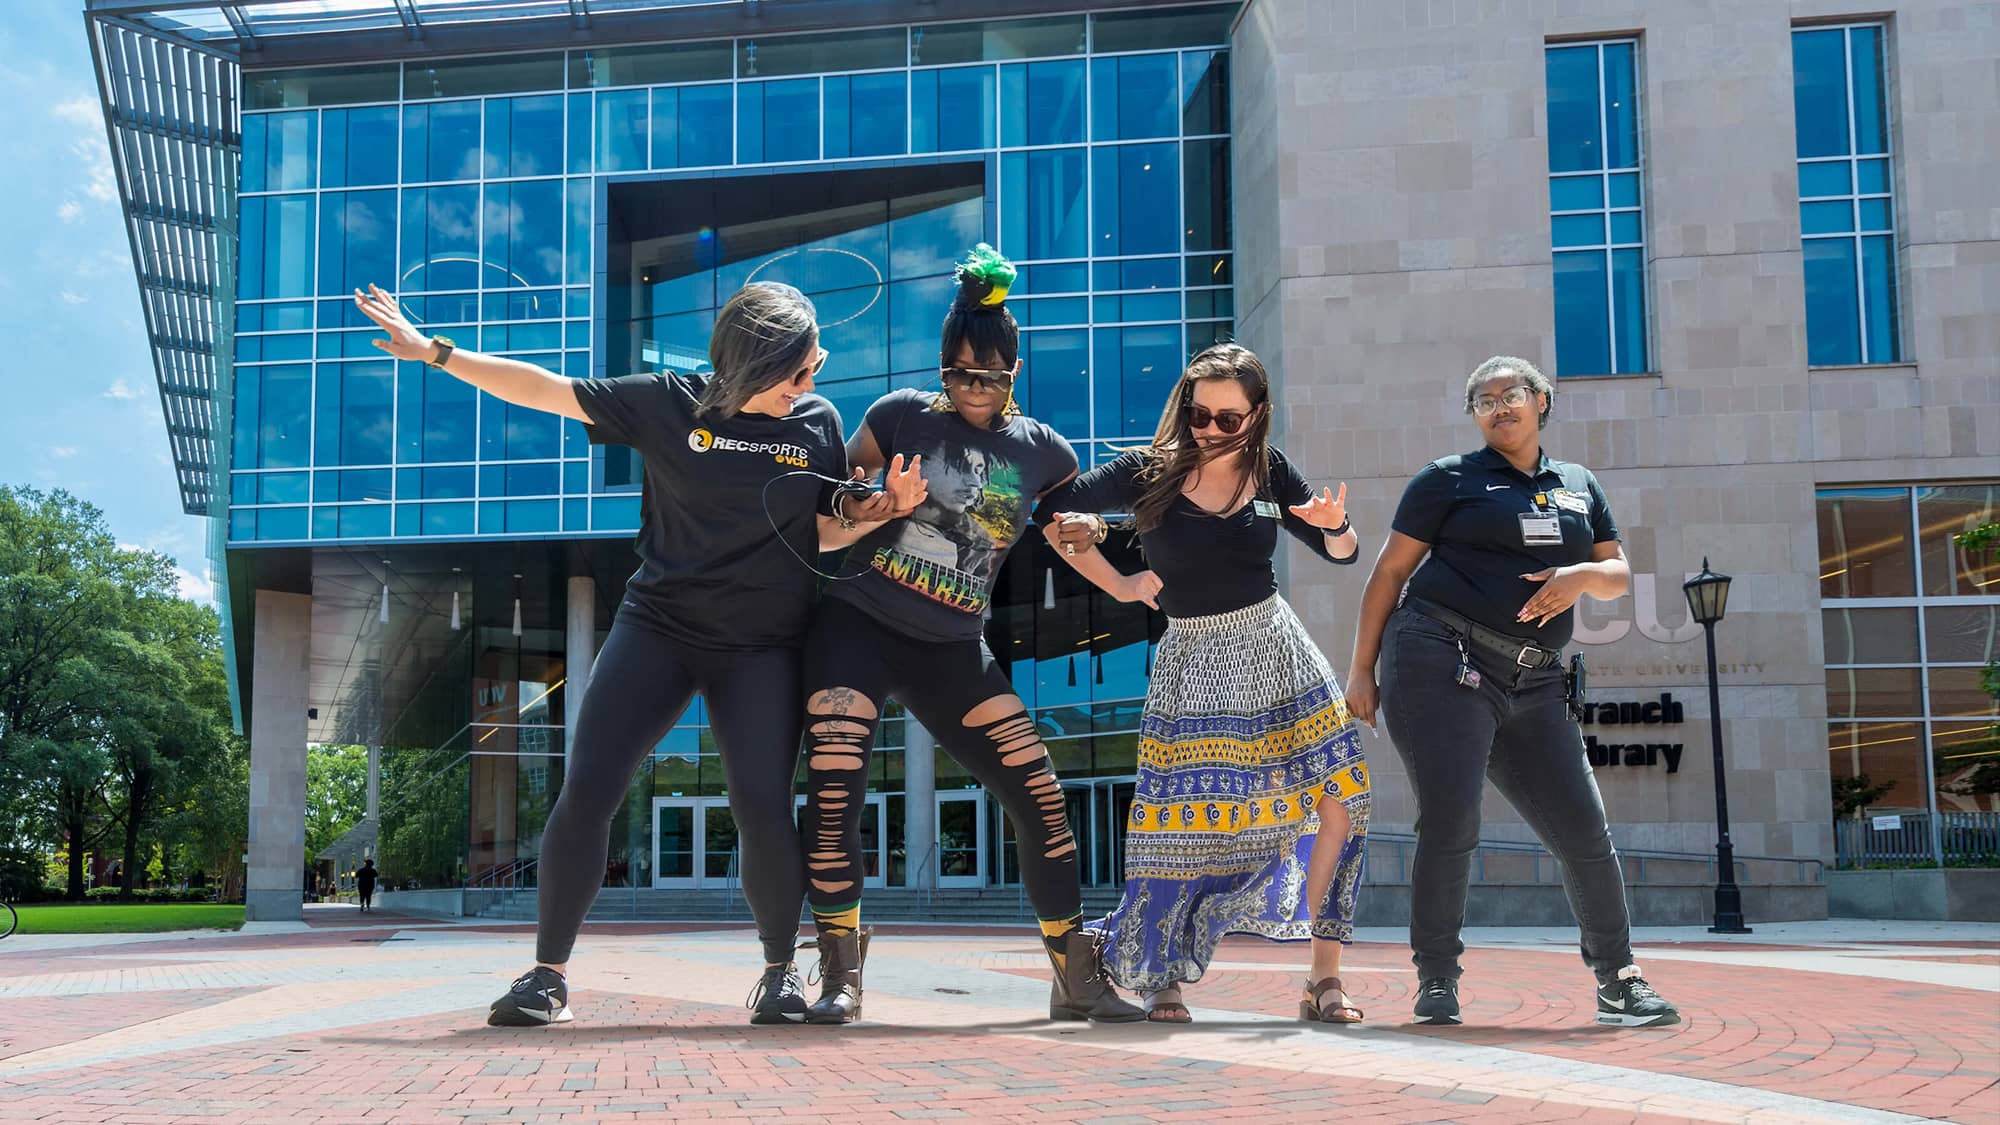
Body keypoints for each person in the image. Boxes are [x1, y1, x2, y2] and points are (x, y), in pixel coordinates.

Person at [353, 281, 924, 1028]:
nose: (810, 385)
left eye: (811, 369)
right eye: (798, 372)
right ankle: (547, 974)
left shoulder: (816, 423)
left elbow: (818, 529)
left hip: (760, 645)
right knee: (589, 785)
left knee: (760, 802)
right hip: (658, 627)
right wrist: (437, 351)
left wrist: (878, 512)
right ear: (753, 365)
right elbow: (548, 389)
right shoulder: (668, 403)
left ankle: (780, 972)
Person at [797, 245, 1143, 1025]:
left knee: (1040, 792)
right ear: (942, 366)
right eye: (958, 373)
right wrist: (877, 498)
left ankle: (1074, 973)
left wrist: (1120, 574)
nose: (972, 389)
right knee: (835, 786)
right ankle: (841, 973)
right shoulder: (897, 416)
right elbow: (834, 508)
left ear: (1014, 374)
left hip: (952, 646)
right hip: (856, 623)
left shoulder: (1046, 453)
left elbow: (1065, 535)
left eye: (987, 376)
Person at [1037, 342, 1371, 1024]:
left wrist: (1336, 526)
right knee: (1181, 829)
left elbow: (1342, 551)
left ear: (1257, 415)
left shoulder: (1269, 468)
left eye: (1229, 418)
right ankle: (1163, 974)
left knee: (1344, 794)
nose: (1212, 430)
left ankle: (1324, 975)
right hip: (1193, 661)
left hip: (1277, 647)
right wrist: (1122, 578)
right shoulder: (1146, 471)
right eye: (1200, 414)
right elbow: (1056, 519)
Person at [1344, 356, 1680, 1029]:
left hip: (1537, 678)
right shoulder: (1449, 480)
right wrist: (1361, 670)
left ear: (1542, 400)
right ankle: (1437, 978)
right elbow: (1388, 574)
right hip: (1442, 658)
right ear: (1474, 414)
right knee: (1453, 819)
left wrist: (1582, 574)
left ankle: (1619, 979)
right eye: (1484, 399)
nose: (1500, 406)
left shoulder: (1580, 486)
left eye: (1512, 394)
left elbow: (1616, 574)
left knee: (1585, 828)